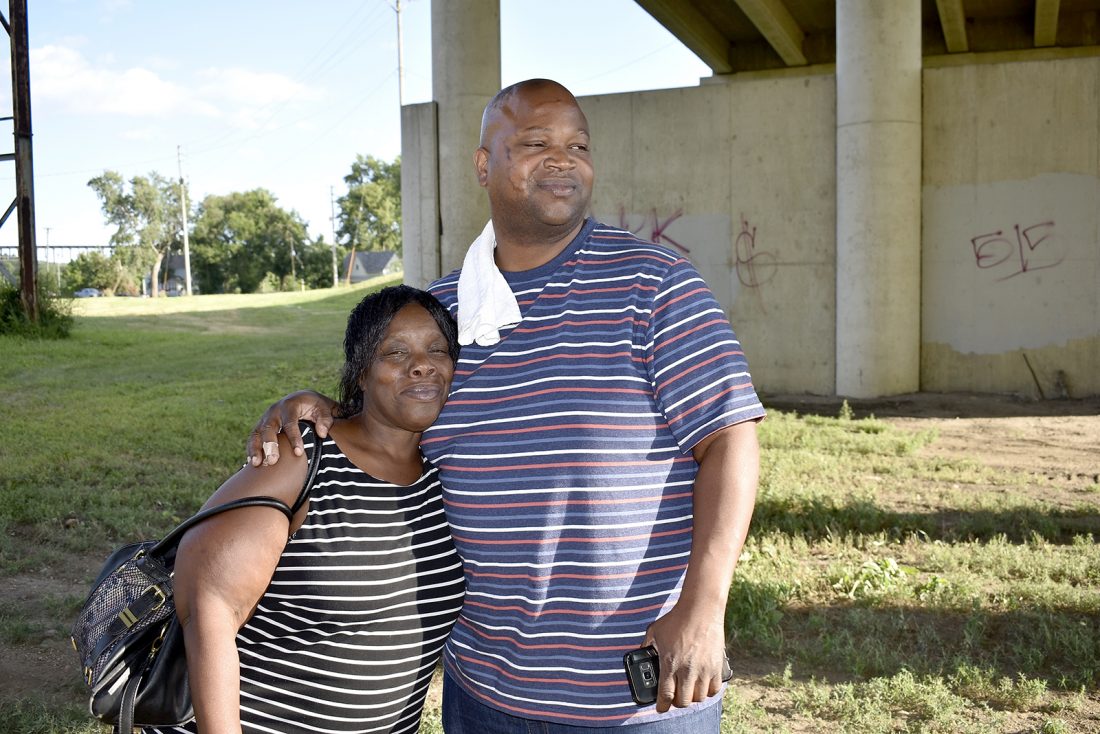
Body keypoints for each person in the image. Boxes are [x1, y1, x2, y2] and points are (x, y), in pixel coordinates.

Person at [250, 79, 765, 732]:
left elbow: (730, 438)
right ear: (483, 164)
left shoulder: (656, 285)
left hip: (640, 701)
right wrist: (315, 407)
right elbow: (383, 429)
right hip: (483, 695)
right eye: (535, 143)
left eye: (579, 145)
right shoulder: (438, 315)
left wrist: (704, 608)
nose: (563, 159)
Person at [149, 285, 465, 734]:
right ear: (361, 372)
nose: (422, 364)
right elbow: (209, 607)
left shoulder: (442, 476)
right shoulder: (303, 456)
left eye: (437, 350)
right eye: (396, 352)